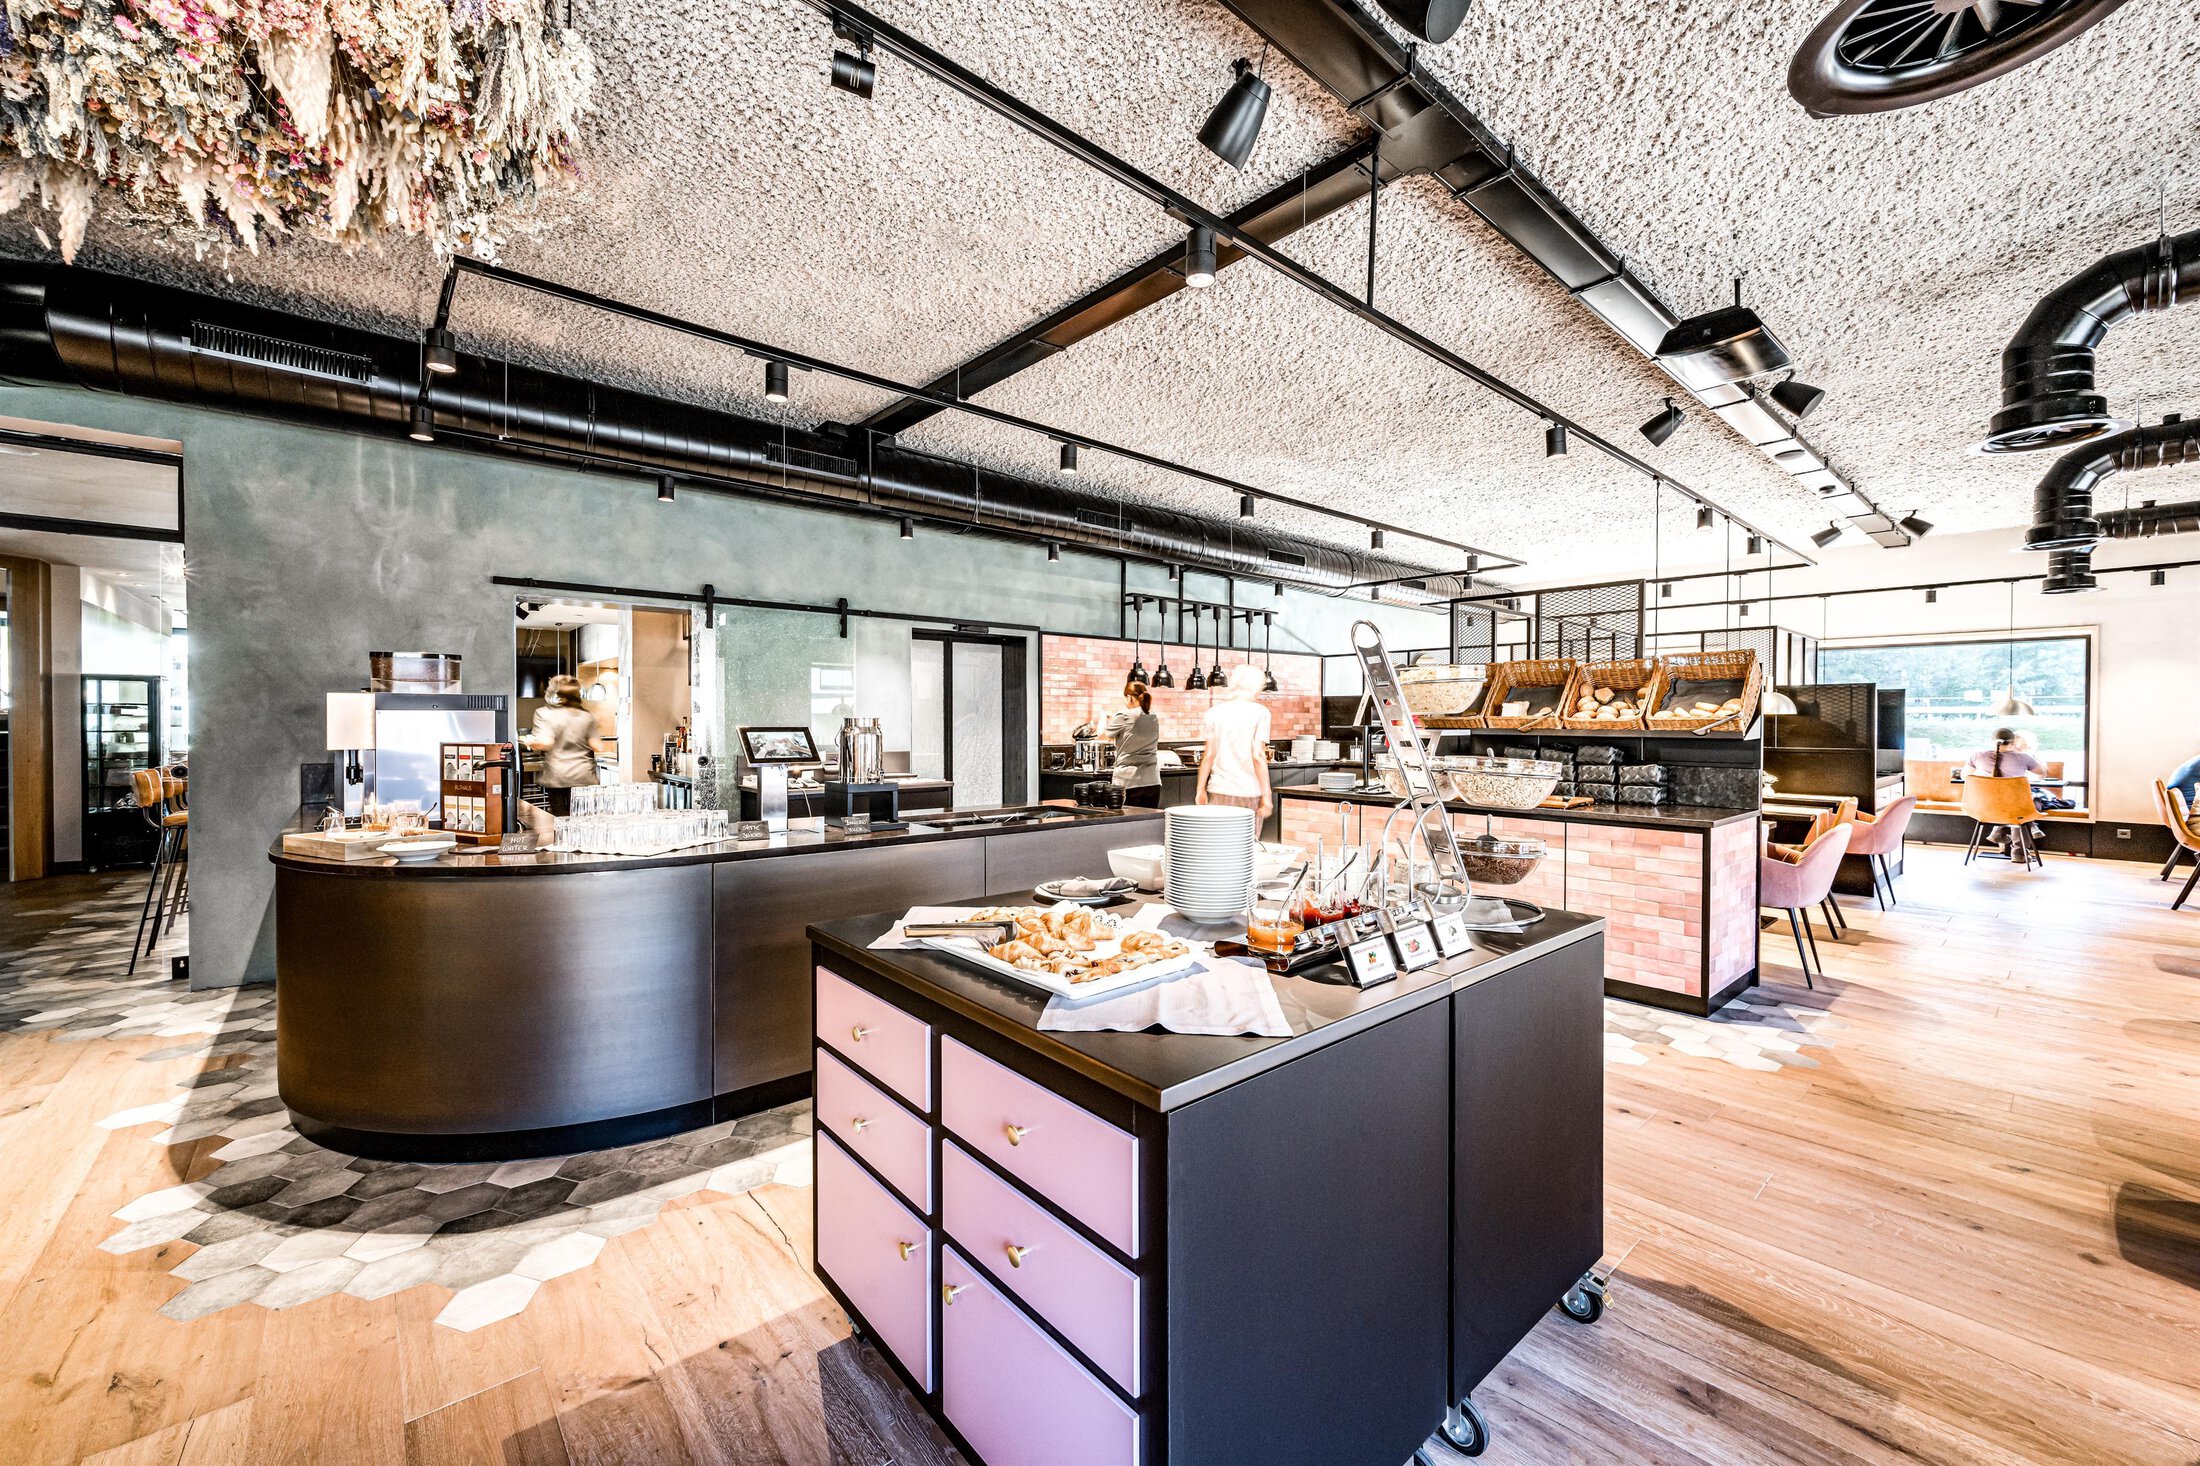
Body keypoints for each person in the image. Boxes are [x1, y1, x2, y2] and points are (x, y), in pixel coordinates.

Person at [1196, 664, 1274, 821]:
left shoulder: (1213, 713)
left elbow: (1209, 754)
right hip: (1248, 791)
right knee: (1247, 836)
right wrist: (1267, 795)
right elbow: (1258, 756)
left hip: (1218, 789)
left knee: (1219, 835)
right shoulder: (1260, 713)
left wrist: (1200, 789)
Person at [527, 674, 602, 816]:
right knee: (582, 819)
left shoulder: (544, 714)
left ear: (555, 692)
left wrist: (531, 742)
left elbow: (547, 742)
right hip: (583, 776)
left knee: (561, 819)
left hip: (558, 777)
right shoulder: (586, 716)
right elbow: (597, 746)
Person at [1967, 727, 2047, 845]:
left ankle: (1998, 832)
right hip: (2014, 807)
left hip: (1982, 806)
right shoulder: (2024, 757)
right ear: (2013, 742)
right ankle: (2022, 842)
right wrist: (2035, 757)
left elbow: (1966, 776)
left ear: (1992, 741)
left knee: (2018, 807)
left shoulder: (1977, 756)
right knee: (2025, 806)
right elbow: (2042, 773)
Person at [1105, 681, 1163, 808]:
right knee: (1149, 819)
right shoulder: (1153, 716)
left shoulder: (1124, 715)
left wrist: (1106, 718)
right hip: (1152, 781)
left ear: (1129, 697)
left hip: (1128, 781)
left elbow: (1105, 735)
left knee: (1127, 820)